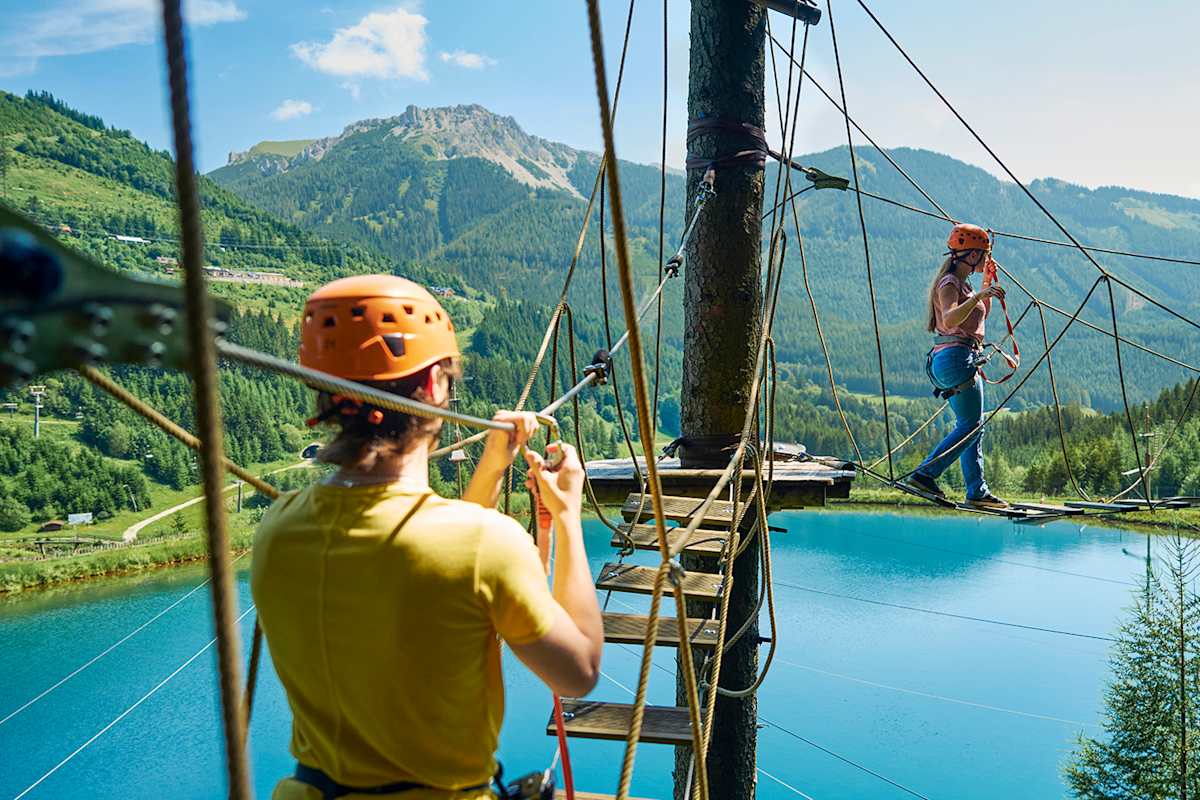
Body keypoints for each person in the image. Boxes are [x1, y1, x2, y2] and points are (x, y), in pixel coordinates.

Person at [251, 275, 603, 799]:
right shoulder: (487, 544)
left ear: (324, 392)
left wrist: (492, 464)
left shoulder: (279, 528)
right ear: (437, 385)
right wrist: (569, 516)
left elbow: (433, 557)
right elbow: (579, 671)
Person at [905, 224, 1009, 509]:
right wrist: (977, 296)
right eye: (984, 255)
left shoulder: (963, 284)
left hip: (956, 357)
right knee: (971, 425)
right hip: (956, 357)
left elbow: (977, 316)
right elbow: (951, 318)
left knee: (972, 426)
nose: (987, 260)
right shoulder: (949, 283)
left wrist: (984, 290)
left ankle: (977, 490)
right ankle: (926, 474)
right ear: (972, 255)